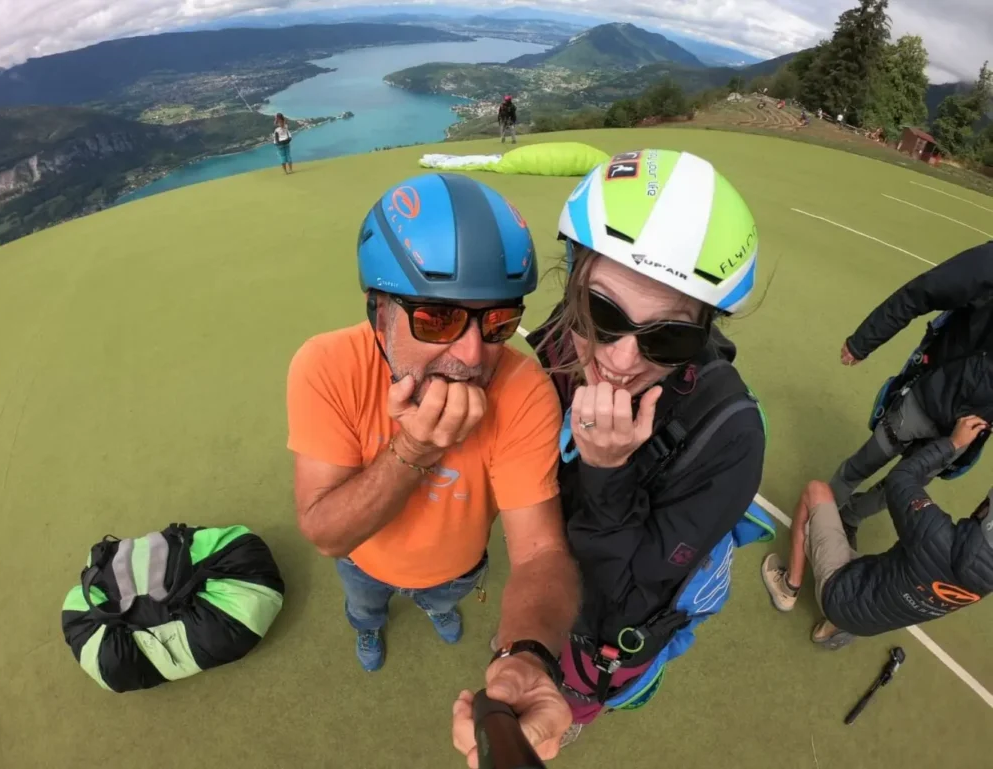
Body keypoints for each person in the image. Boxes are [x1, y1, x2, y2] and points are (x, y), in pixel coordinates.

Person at [286, 172, 580, 766]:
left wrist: (524, 656)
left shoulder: (523, 390)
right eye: (439, 320)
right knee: (364, 606)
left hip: (457, 568)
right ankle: (368, 628)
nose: (472, 355)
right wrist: (413, 452)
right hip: (362, 560)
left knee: (443, 601)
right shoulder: (325, 366)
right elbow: (324, 531)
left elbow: (540, 555)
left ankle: (436, 610)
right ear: (379, 314)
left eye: (497, 321)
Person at [520, 148, 769, 745]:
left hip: (606, 626)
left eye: (669, 338)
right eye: (603, 312)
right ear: (574, 276)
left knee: (576, 695)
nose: (621, 360)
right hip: (556, 567)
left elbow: (627, 598)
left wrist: (608, 469)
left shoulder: (732, 439)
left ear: (704, 332)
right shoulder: (563, 332)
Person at [761, 414, 993, 648]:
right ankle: (833, 630)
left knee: (816, 492)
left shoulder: (936, 534)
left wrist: (952, 443)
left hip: (840, 594)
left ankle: (787, 589)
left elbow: (901, 479)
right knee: (905, 588)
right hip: (874, 623)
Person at [832, 240, 993, 547]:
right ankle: (818, 519)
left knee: (901, 486)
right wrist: (863, 340)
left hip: (965, 432)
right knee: (862, 465)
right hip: (929, 398)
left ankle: (848, 518)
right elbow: (923, 291)